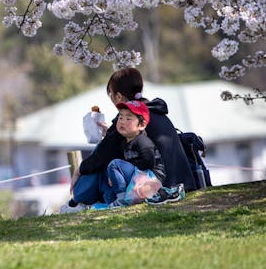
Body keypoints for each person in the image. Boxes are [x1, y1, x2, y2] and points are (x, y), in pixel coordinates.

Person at [62, 67, 194, 212]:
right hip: (183, 182)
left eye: (111, 94)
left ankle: (79, 201)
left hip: (158, 185)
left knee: (100, 155)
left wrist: (78, 171)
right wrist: (111, 134)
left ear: (118, 97)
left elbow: (101, 156)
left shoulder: (134, 117)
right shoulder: (153, 111)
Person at [62, 100, 164, 211]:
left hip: (151, 178)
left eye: (128, 118)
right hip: (139, 177)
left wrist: (122, 168)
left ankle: (121, 200)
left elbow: (148, 161)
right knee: (110, 169)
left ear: (142, 125)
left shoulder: (142, 141)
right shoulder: (124, 142)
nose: (123, 122)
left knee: (115, 164)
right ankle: (110, 201)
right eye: (120, 117)